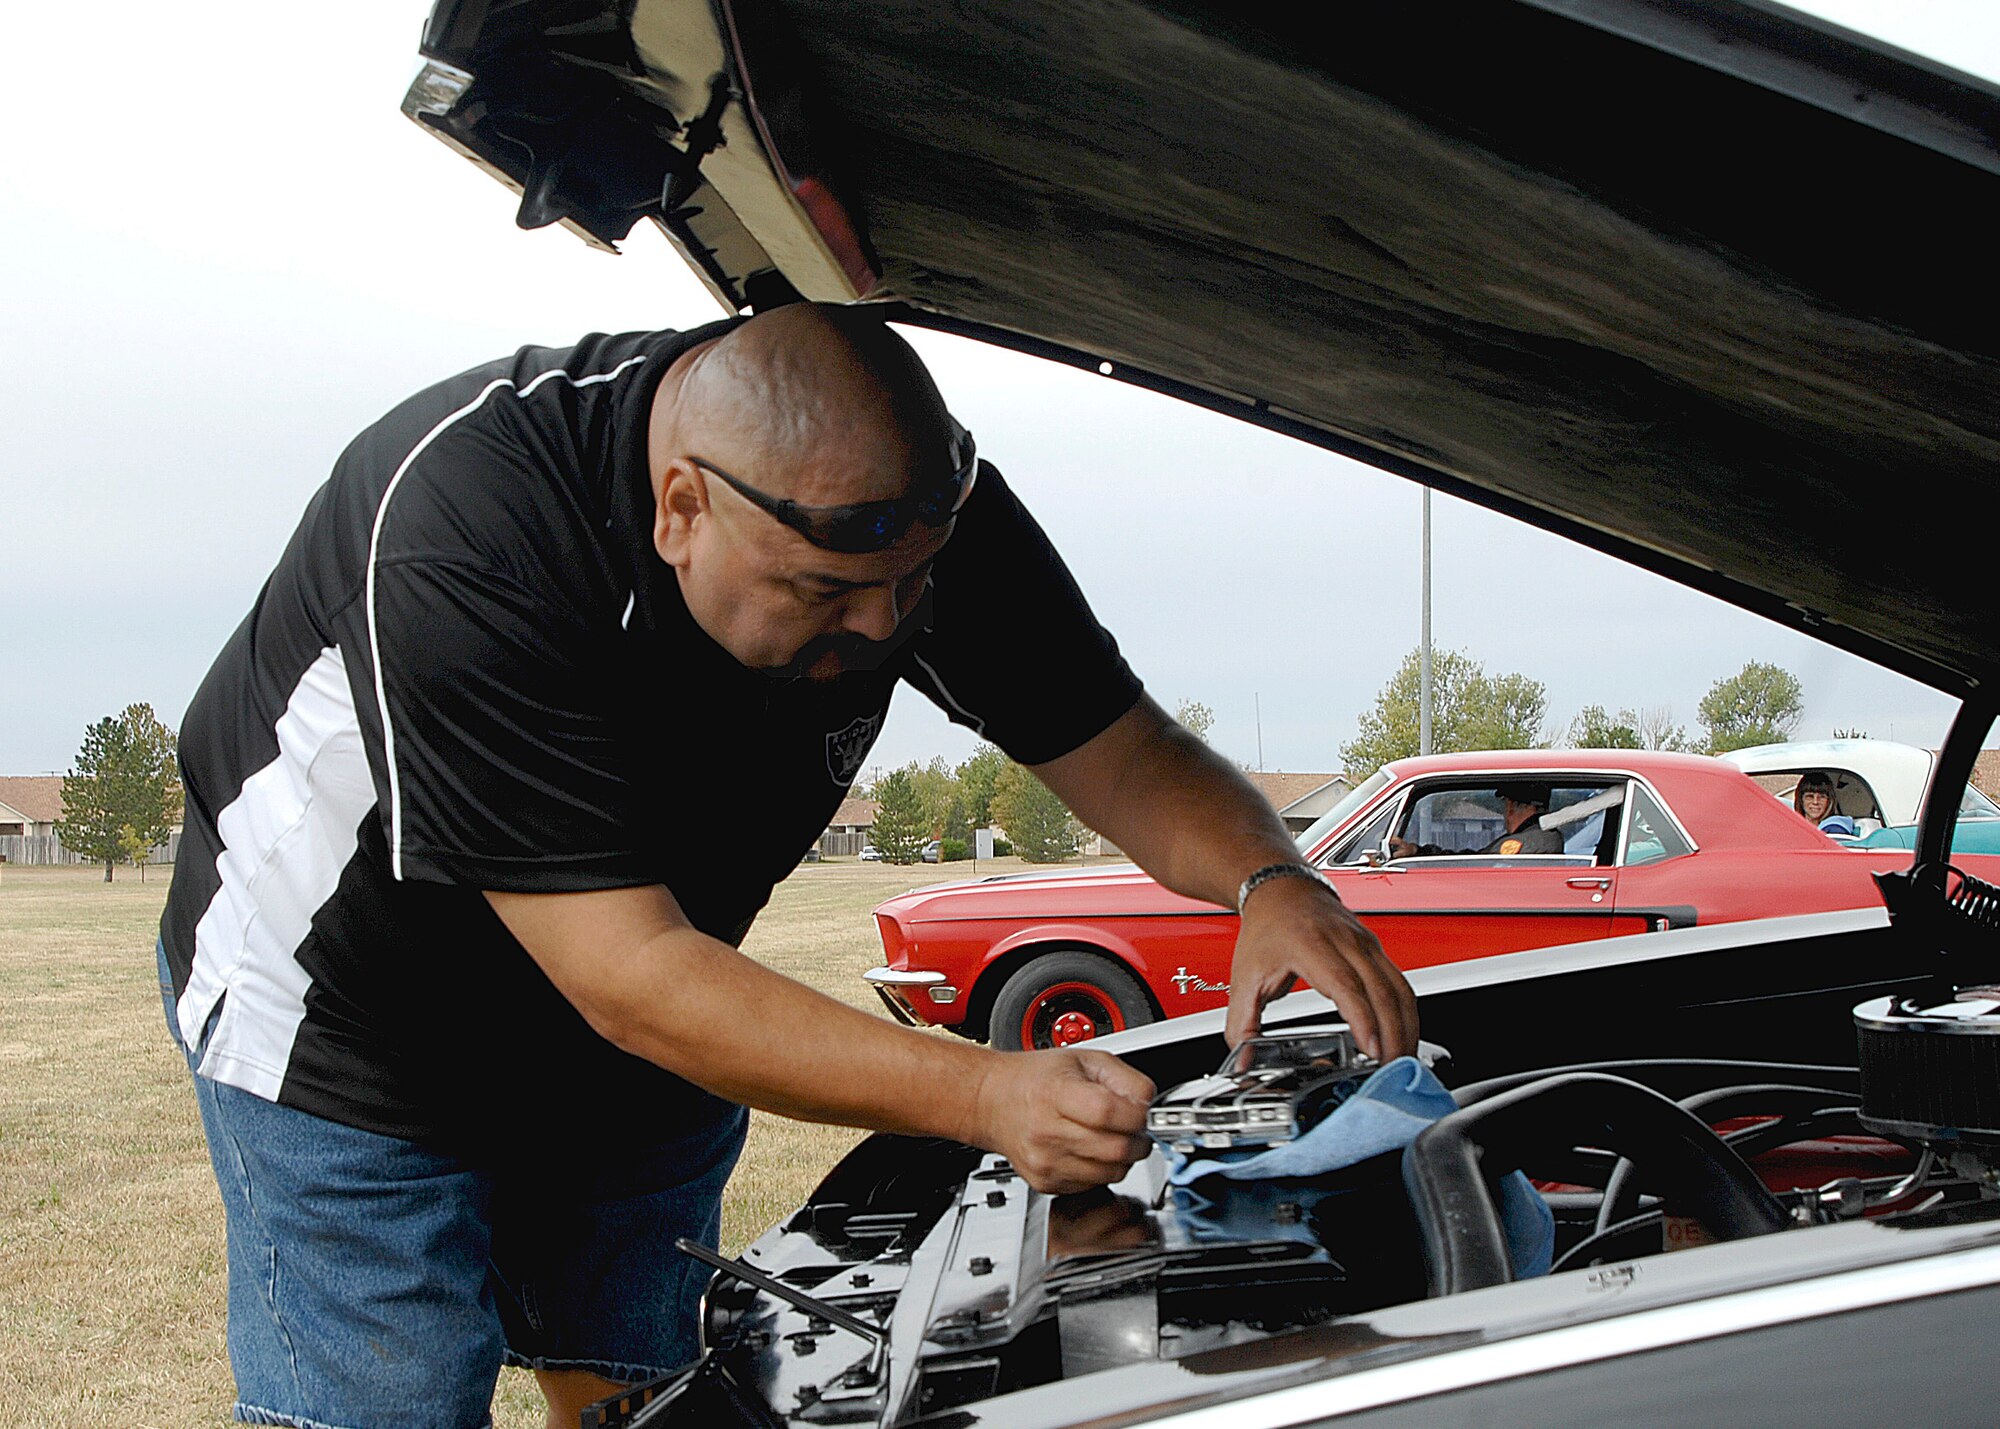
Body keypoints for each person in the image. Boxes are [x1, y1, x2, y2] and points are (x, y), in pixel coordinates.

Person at [157, 303, 1418, 1429]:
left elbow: (1123, 751)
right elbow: (629, 975)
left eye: (906, 589)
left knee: (645, 1380)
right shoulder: (467, 533)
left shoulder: (906, 521)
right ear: (680, 508)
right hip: (351, 1023)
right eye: (824, 592)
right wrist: (990, 1096)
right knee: (393, 1397)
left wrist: (1273, 879)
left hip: (650, 1014)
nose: (878, 627)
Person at [1389, 781, 1565, 858]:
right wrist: (1417, 851)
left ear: (1510, 806)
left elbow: (1474, 864)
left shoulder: (1525, 842)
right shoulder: (1545, 836)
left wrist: (1419, 852)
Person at [1795, 771, 1858, 837]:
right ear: (1801, 800)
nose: (1815, 802)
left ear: (1829, 801)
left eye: (1822, 797)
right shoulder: (1791, 826)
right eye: (1810, 797)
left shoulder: (1835, 828)